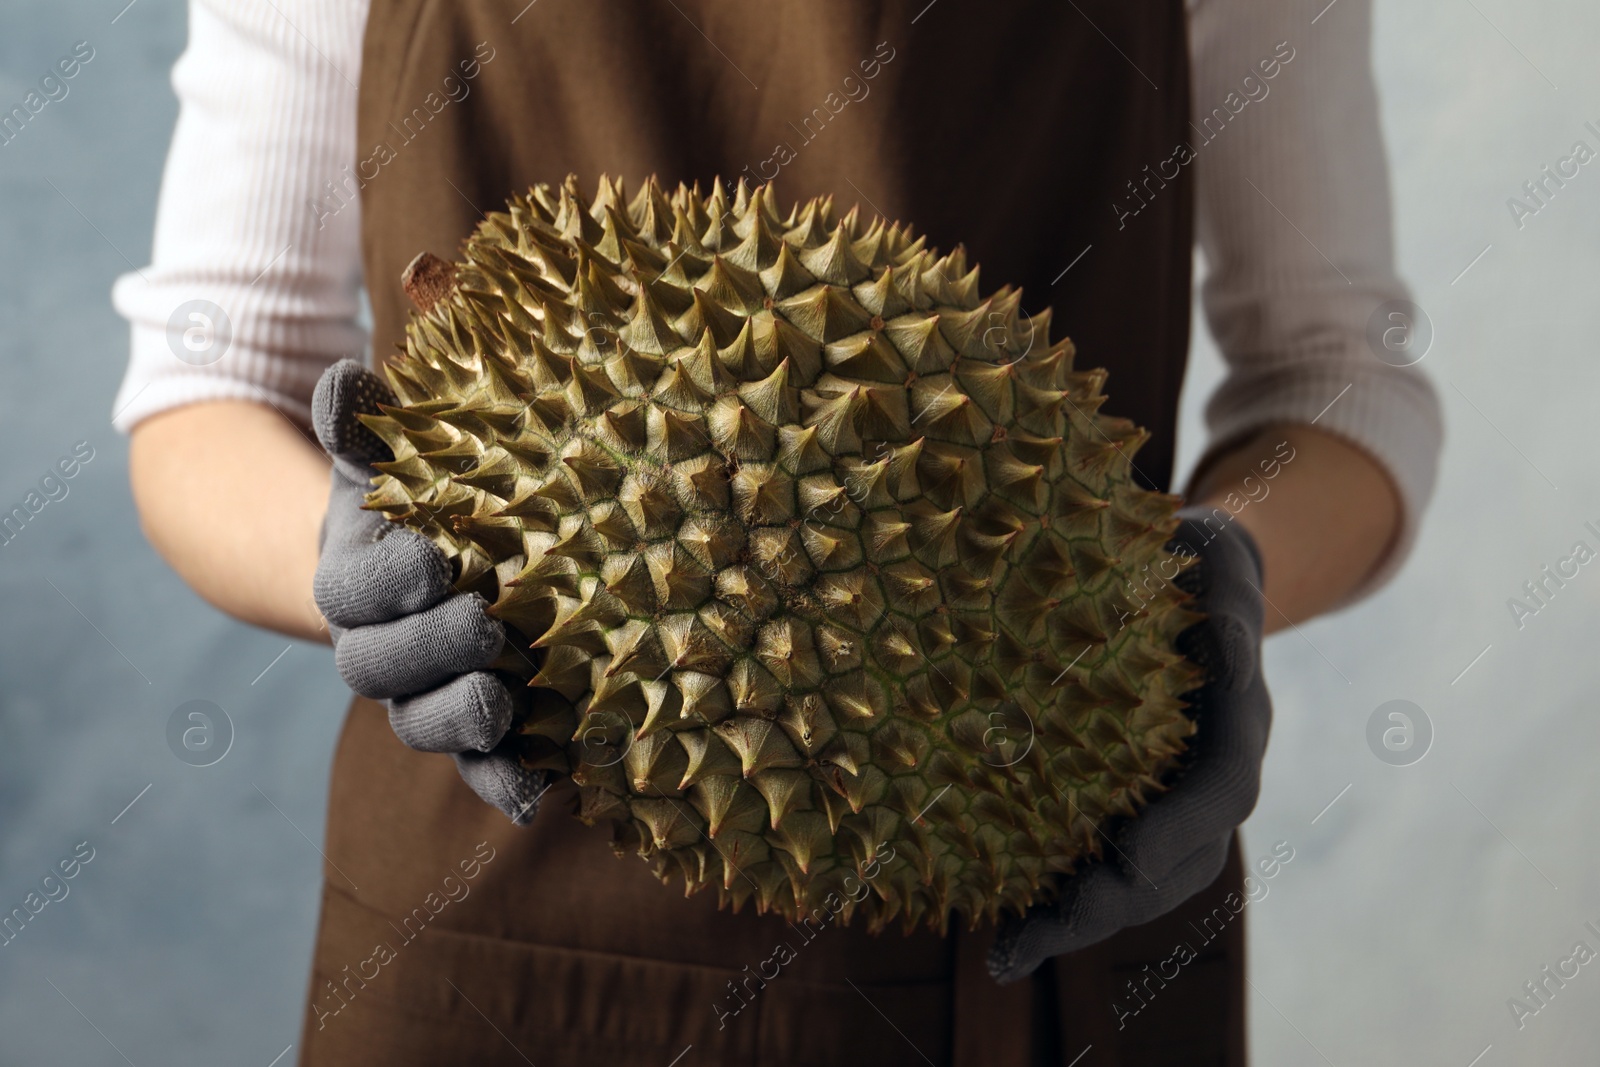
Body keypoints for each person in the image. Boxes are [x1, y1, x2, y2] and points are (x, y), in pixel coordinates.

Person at [113, 0, 1440, 1063]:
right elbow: (205, 381)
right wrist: (354, 568)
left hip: (1055, 931)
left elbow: (1339, 375)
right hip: (493, 951)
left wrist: (1230, 574)